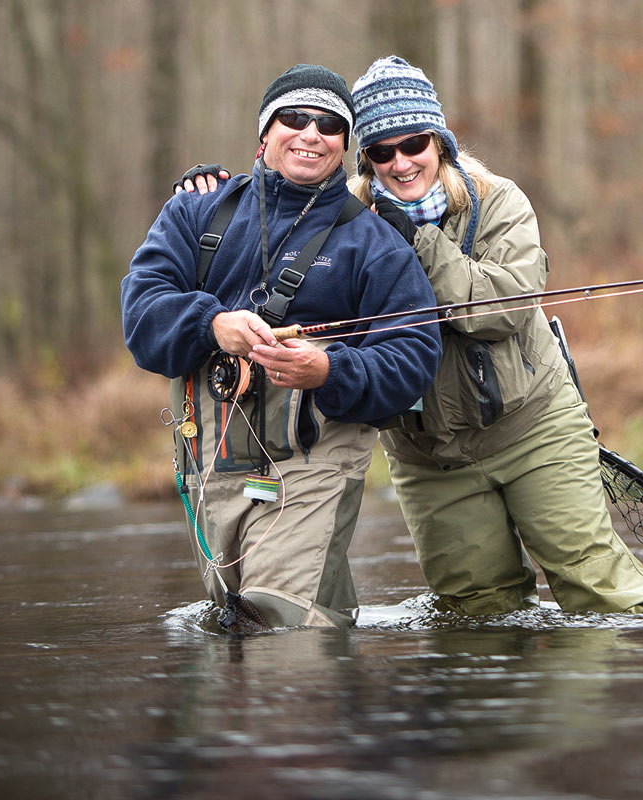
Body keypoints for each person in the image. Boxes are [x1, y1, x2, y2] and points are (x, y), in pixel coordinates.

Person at [183, 56, 643, 616]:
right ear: (365, 158)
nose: (401, 162)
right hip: (425, 452)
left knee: (598, 586)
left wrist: (418, 239)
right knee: (478, 611)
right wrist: (209, 195)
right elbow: (267, 228)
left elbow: (498, 312)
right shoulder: (348, 220)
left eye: (414, 145)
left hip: (532, 427)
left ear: (441, 144)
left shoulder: (498, 201)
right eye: (382, 152)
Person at [123, 64, 441, 629]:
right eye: (294, 118)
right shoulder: (195, 211)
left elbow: (414, 354)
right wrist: (211, 324)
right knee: (244, 628)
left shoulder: (374, 241)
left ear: (345, 148)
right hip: (209, 461)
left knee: (275, 625)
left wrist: (329, 369)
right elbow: (141, 316)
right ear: (263, 131)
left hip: (315, 461)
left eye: (329, 125)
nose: (311, 133)